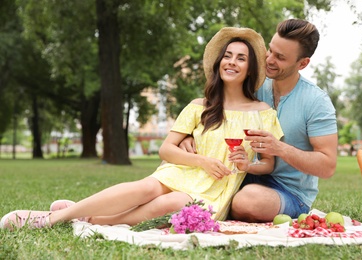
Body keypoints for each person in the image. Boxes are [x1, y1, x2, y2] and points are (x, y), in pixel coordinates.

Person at [0, 27, 283, 230]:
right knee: (146, 187)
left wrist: (248, 164)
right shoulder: (200, 105)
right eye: (228, 55)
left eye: (241, 58)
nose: (232, 62)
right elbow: (166, 149)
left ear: (249, 68)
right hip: (184, 171)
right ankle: (50, 219)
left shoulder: (263, 114)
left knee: (172, 203)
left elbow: (268, 164)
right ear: (220, 62)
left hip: (215, 191)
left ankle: (89, 219)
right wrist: (201, 161)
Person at [177, 19, 338, 223]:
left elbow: (327, 166)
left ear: (302, 63)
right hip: (239, 176)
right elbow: (213, 108)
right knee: (179, 183)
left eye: (280, 57)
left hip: (288, 191)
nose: (269, 59)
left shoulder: (316, 102)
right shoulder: (254, 85)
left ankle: (224, 206)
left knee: (247, 201)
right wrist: (188, 136)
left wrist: (280, 148)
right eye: (270, 51)